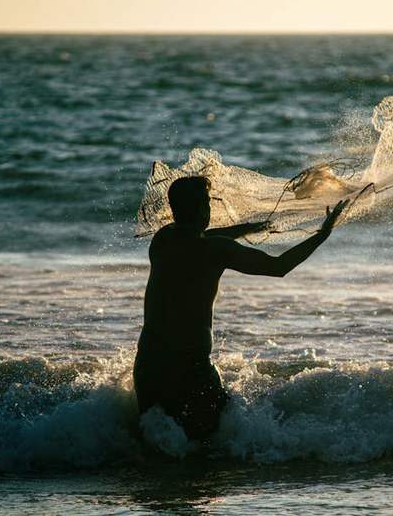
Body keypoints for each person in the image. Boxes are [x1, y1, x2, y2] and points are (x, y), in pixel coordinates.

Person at [134, 175, 348, 440]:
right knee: (214, 445)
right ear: (202, 209)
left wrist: (246, 228)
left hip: (148, 366)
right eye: (208, 204)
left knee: (156, 446)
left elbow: (200, 236)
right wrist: (322, 235)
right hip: (189, 370)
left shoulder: (163, 239)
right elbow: (278, 267)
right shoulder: (216, 250)